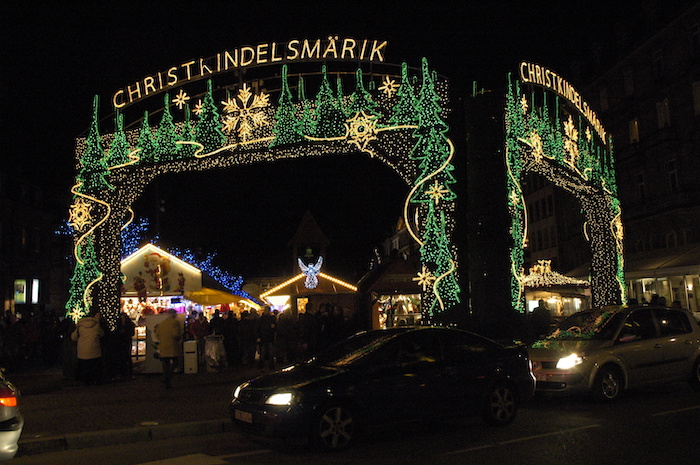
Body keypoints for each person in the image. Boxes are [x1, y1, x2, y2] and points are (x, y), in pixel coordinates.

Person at [71, 311, 105, 385]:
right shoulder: (96, 325)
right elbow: (101, 334)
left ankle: (85, 380)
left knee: (84, 366)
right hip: (94, 349)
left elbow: (74, 337)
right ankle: (95, 380)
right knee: (94, 365)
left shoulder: (80, 326)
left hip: (82, 350)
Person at [154, 309, 183, 388]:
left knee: (165, 364)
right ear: (174, 314)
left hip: (164, 346)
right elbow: (176, 334)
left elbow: (157, 334)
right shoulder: (175, 323)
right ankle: (168, 377)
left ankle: (167, 380)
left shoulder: (162, 323)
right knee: (176, 362)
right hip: (172, 346)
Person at [255, 306, 276, 370]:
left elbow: (257, 329)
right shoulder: (271, 319)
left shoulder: (261, 319)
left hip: (265, 337)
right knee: (267, 353)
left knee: (266, 353)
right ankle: (268, 366)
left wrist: (258, 337)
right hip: (267, 337)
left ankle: (263, 366)